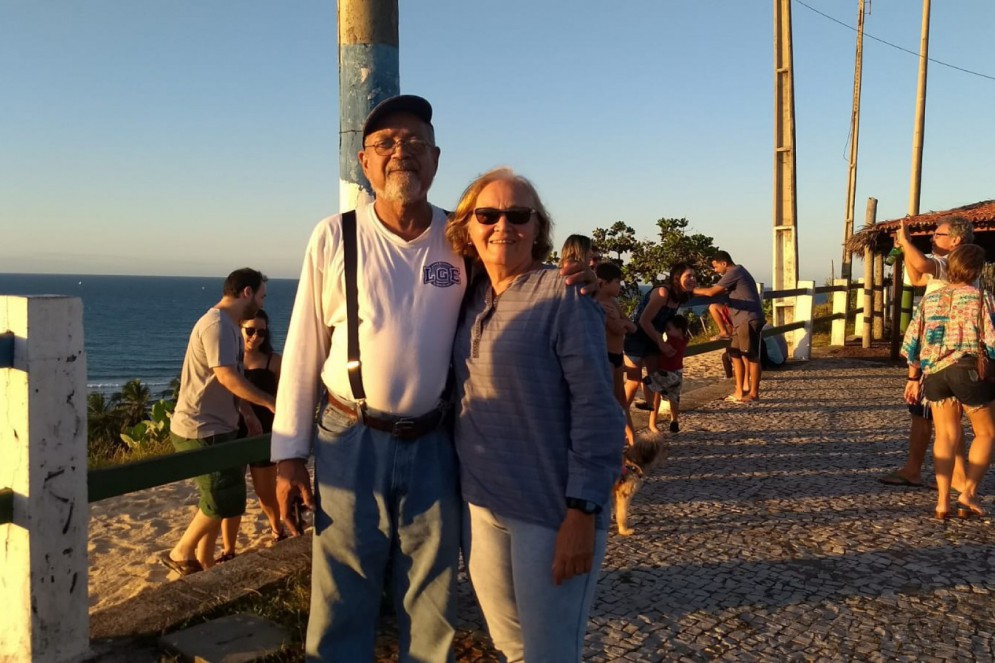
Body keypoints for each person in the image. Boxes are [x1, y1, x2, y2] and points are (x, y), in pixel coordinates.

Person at [269, 95, 594, 662]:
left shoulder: (460, 237)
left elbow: (511, 282)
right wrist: (288, 453)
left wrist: (576, 281)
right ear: (364, 163)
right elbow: (303, 347)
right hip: (349, 435)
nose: (403, 154)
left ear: (437, 160)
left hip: (436, 441)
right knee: (342, 590)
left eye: (416, 143)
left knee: (432, 594)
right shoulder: (334, 235)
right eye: (386, 144)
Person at [445, 167, 623, 663]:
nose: (503, 224)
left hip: (551, 514)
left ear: (538, 228)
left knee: (550, 654)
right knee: (511, 649)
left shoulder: (565, 294)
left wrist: (583, 514)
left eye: (518, 214)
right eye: (488, 214)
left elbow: (597, 408)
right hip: (482, 510)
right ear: (468, 226)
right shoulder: (467, 296)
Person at [161, 268, 276, 575]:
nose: (263, 302)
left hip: (219, 425)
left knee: (217, 497)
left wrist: (248, 414)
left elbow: (231, 376)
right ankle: (181, 552)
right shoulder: (217, 325)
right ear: (247, 292)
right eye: (262, 294)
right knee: (226, 498)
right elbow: (226, 376)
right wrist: (267, 402)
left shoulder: (230, 326)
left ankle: (205, 562)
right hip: (201, 427)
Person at [901, 243, 995, 520]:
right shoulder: (982, 298)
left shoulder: (930, 299)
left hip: (935, 374)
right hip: (968, 371)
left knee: (945, 437)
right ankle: (968, 494)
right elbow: (991, 340)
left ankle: (942, 502)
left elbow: (913, 342)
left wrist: (912, 378)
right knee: (986, 433)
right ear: (977, 270)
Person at [881, 216, 973, 489]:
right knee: (933, 416)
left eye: (938, 235)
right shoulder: (952, 265)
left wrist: (908, 242)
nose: (933, 238)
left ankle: (948, 477)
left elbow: (921, 265)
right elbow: (917, 277)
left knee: (939, 418)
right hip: (943, 350)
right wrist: (905, 248)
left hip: (941, 352)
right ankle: (937, 473)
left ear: (956, 240)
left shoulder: (955, 264)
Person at [216, 310, 286, 562]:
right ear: (239, 328)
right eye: (250, 330)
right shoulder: (228, 360)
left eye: (261, 332)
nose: (255, 337)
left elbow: (284, 398)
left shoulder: (274, 361)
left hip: (263, 432)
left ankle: (278, 529)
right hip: (232, 429)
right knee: (232, 492)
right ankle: (228, 549)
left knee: (264, 491)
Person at [622, 263, 697, 441]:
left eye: (695, 276)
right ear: (677, 277)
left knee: (656, 378)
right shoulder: (663, 293)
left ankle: (652, 423)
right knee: (633, 383)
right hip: (636, 335)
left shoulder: (680, 297)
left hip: (653, 338)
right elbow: (644, 320)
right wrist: (661, 343)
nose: (693, 279)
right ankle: (620, 423)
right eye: (689, 275)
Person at [692, 251, 765, 403]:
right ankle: (739, 391)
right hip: (740, 320)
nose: (715, 270)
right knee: (735, 354)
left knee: (751, 356)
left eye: (716, 266)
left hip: (748, 319)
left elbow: (712, 292)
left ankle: (753, 393)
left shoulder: (735, 272)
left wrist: (689, 291)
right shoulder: (738, 272)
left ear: (724, 263)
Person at [595, 261, 637, 443]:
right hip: (605, 357)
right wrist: (621, 324)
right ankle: (611, 440)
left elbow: (631, 326)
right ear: (603, 283)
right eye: (617, 282)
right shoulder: (597, 303)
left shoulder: (613, 302)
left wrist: (622, 323)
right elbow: (618, 328)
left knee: (621, 400)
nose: (620, 286)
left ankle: (632, 437)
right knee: (609, 402)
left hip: (618, 354)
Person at [644, 313, 691, 434]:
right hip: (678, 373)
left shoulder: (674, 341)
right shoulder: (683, 340)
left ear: (679, 330)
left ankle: (648, 404)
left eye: (669, 329)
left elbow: (669, 353)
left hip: (667, 373)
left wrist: (659, 340)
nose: (666, 331)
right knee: (674, 397)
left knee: (648, 382)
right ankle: (674, 420)